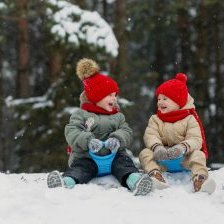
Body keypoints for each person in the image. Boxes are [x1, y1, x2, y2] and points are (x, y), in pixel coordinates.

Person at [47, 58, 152, 196]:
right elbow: (72, 132)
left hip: (114, 156)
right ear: (96, 97)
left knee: (125, 165)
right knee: (80, 169)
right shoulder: (81, 115)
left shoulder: (117, 116)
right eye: (109, 95)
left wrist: (117, 138)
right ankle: (65, 182)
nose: (114, 99)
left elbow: (126, 131)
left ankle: (135, 181)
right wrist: (88, 140)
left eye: (115, 95)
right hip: (87, 157)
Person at [139, 73, 216, 194]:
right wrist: (157, 147)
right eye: (159, 99)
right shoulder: (155, 119)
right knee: (145, 153)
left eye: (165, 99)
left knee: (198, 154)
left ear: (178, 101)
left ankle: (200, 179)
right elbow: (150, 135)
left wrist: (183, 147)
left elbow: (196, 139)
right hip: (162, 159)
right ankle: (155, 175)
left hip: (184, 159)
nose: (160, 102)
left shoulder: (189, 119)